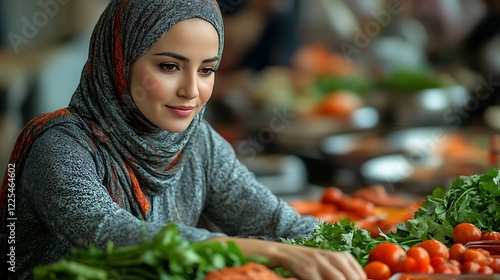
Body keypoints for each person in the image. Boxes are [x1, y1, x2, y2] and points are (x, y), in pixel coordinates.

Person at [0, 0, 366, 279]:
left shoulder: (199, 143)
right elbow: (109, 234)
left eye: (207, 70)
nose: (192, 90)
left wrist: (375, 252)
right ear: (119, 61)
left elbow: (276, 223)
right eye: (169, 66)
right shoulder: (59, 146)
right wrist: (278, 254)